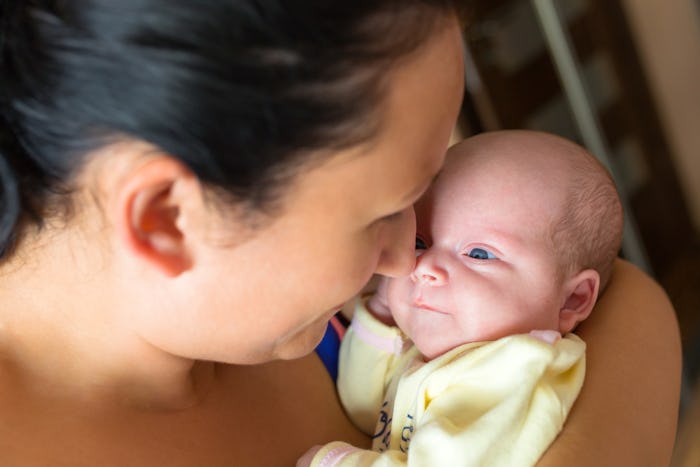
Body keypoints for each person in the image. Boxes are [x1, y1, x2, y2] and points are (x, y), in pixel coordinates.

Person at [0, 1, 680, 466]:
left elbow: (623, 300)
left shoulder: (309, 297)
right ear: (168, 219)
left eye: (427, 197)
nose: (403, 257)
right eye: (388, 209)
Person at [301, 130, 623, 466]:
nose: (425, 268)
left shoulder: (513, 375)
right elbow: (366, 409)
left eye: (479, 254)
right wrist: (382, 314)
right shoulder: (446, 343)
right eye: (420, 243)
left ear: (572, 299)